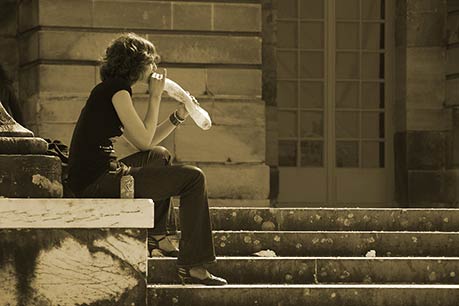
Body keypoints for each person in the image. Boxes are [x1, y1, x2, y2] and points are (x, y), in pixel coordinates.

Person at [67, 33, 227, 286]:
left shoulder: (113, 90)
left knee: (159, 155)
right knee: (194, 178)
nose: (155, 68)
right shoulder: (117, 90)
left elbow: (147, 143)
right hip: (97, 181)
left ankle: (158, 236)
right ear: (136, 63)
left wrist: (180, 115)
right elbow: (142, 140)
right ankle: (194, 265)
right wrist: (155, 96)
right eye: (151, 62)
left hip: (100, 175)